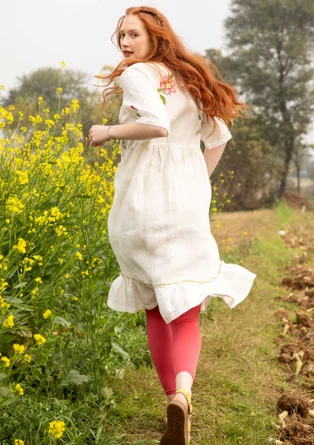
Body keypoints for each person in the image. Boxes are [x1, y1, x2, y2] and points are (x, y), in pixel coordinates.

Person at [89, 6, 256, 444]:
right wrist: (195, 181)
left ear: (154, 36)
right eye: (120, 36)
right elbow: (218, 138)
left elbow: (156, 126)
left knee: (151, 302)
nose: (125, 43)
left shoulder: (136, 74)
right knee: (185, 310)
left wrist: (107, 131)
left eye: (133, 34)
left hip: (141, 203)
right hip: (186, 201)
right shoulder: (190, 75)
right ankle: (182, 395)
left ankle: (173, 402)